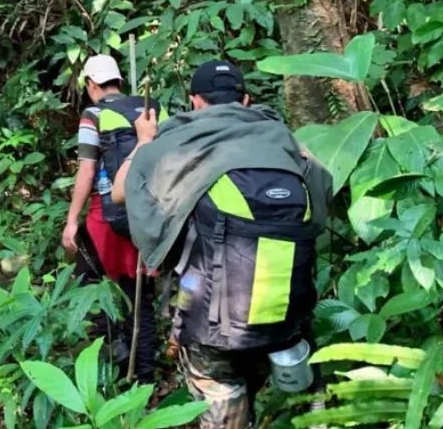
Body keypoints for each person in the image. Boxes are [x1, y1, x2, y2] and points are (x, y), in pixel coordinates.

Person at [112, 60, 332, 429]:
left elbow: (120, 192)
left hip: (211, 319)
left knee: (224, 405)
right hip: (287, 312)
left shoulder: (176, 143)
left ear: (195, 101)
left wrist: (145, 140)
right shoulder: (283, 138)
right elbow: (323, 193)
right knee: (297, 402)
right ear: (245, 100)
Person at [64, 54, 157, 383]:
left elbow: (87, 170)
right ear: (119, 81)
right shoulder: (147, 110)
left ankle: (112, 367)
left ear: (91, 85)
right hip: (145, 215)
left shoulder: (93, 115)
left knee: (91, 287)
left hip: (106, 218)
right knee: (137, 295)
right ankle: (143, 376)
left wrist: (72, 220)